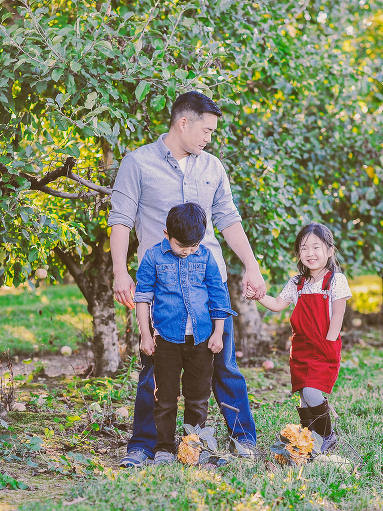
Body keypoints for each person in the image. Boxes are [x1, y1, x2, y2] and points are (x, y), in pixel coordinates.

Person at [109, 90, 267, 468]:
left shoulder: (212, 167)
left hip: (206, 287)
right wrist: (120, 272)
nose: (210, 138)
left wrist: (251, 264)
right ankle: (145, 446)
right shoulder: (139, 163)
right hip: (159, 288)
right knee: (154, 370)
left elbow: (228, 219)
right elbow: (121, 219)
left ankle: (241, 438)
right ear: (184, 123)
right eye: (207, 129)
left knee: (223, 362)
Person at [134, 203, 236, 464]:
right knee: (165, 397)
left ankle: (193, 447)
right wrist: (146, 335)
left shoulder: (205, 257)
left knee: (198, 397)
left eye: (193, 247)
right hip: (166, 339)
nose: (188, 252)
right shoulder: (153, 257)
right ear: (166, 234)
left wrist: (218, 332)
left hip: (202, 339)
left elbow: (218, 295)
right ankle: (165, 448)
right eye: (182, 247)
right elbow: (143, 297)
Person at [254, 222, 352, 452]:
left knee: (312, 391)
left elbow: (338, 314)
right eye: (304, 247)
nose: (310, 253)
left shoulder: (335, 281)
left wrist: (328, 341)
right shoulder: (297, 283)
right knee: (304, 395)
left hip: (324, 346)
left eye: (316, 247)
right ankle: (309, 440)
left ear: (329, 251)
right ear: (298, 253)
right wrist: (258, 296)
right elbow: (277, 305)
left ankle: (327, 436)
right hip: (301, 348)